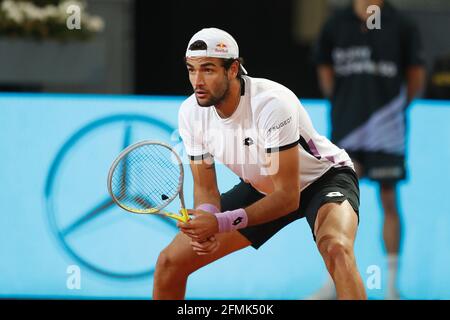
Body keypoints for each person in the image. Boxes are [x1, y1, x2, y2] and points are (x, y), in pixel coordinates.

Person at [153, 27, 367, 300]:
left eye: (208, 69)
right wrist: (207, 216)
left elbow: (288, 197)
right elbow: (206, 189)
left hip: (323, 180)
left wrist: (221, 223)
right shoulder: (190, 113)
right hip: (262, 188)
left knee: (336, 248)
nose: (197, 81)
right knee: (169, 263)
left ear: (233, 69)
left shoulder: (271, 103)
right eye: (191, 69)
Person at [313, 0, 425, 300]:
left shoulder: (401, 24)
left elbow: (415, 74)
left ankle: (390, 288)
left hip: (387, 132)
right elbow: (324, 67)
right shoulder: (336, 23)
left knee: (389, 200)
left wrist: (391, 112)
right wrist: (341, 103)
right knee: (338, 203)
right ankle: (332, 284)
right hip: (346, 129)